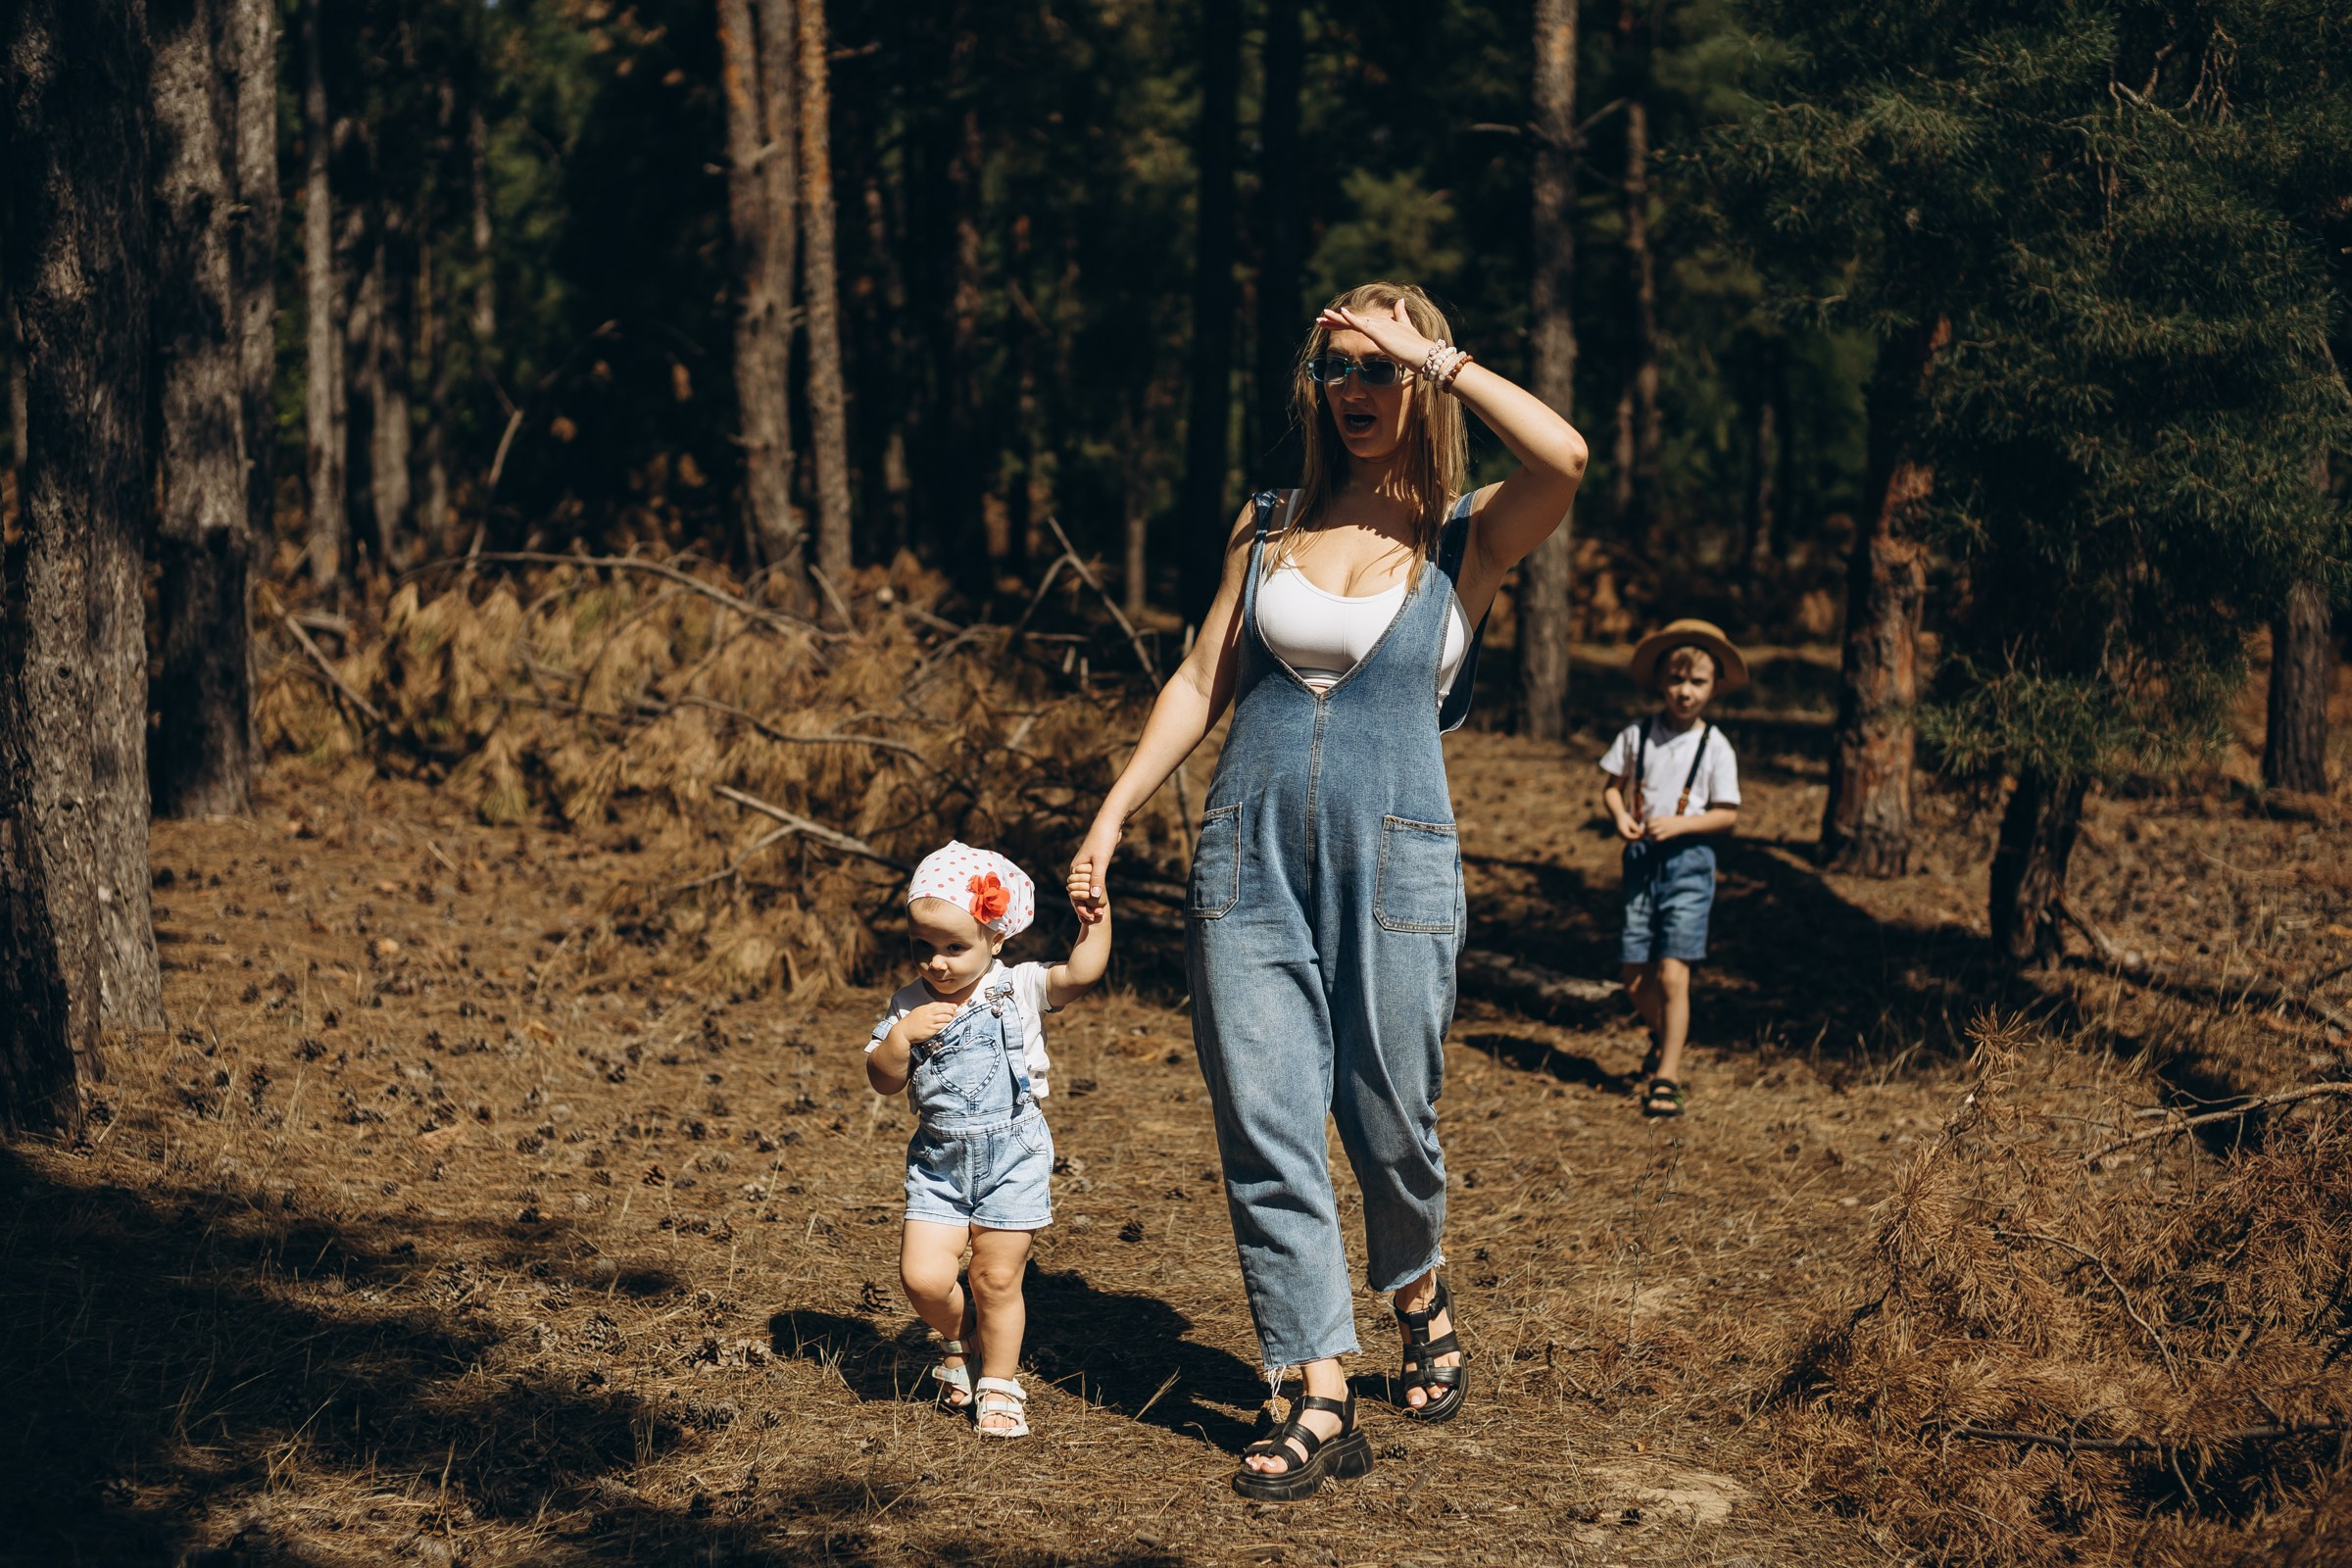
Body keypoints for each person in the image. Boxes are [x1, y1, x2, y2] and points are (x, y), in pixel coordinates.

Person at [1069, 281, 1589, 1499]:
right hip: (1245, 859)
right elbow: (1202, 679)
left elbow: (1565, 453)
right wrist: (1112, 811)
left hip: (1396, 860)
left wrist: (1438, 356)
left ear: (1420, 378)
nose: (1356, 391)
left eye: (1379, 370)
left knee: (1389, 1115)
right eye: (1337, 369)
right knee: (1264, 1118)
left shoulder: (1473, 531)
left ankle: (1415, 1277)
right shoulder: (1270, 521)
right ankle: (1316, 1386)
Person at [864, 842, 1110, 1439]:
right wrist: (900, 1041)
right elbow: (882, 1078)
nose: (938, 963)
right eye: (924, 948)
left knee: (997, 1279)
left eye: (955, 947)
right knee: (923, 1278)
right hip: (940, 1161)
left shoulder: (1018, 986)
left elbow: (1082, 974)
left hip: (1013, 1154)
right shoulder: (909, 1004)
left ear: (995, 940)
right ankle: (957, 1339)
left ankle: (999, 1382)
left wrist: (1095, 923)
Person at [1598, 619, 1745, 1119]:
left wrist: (1680, 827)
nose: (1686, 692)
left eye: (1698, 682)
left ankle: (1668, 1074)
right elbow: (1611, 786)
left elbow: (1727, 814)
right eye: (1677, 680)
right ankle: (1668, 1041)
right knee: (1634, 975)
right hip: (1642, 862)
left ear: (1715, 687)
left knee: (1673, 973)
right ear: (1661, 681)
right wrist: (1621, 817)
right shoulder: (1637, 735)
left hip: (1689, 864)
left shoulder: (1715, 746)